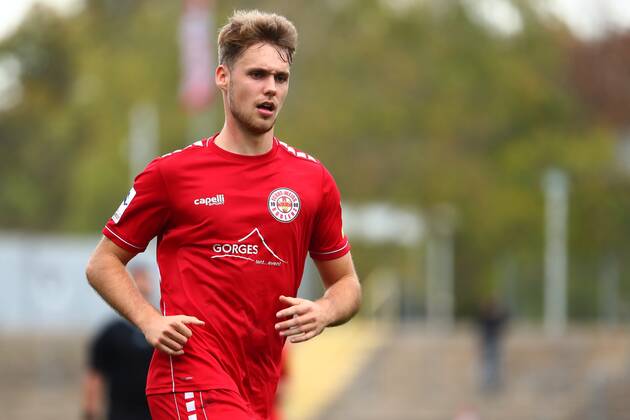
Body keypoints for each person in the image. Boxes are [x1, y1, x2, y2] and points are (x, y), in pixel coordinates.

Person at [86, 9, 361, 420]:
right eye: (257, 75)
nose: (270, 89)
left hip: (256, 390)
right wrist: (148, 319)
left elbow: (347, 285)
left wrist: (324, 310)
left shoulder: (312, 180)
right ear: (223, 76)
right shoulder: (171, 174)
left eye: (280, 78)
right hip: (189, 377)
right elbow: (102, 262)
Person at [82, 264, 155, 420]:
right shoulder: (111, 332)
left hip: (155, 413)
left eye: (145, 280)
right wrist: (90, 409)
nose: (142, 285)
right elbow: (95, 373)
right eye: (137, 279)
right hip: (120, 414)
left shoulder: (163, 329)